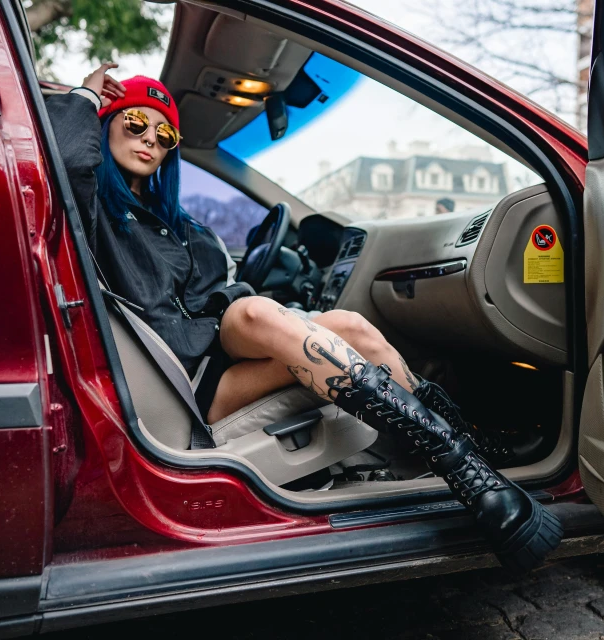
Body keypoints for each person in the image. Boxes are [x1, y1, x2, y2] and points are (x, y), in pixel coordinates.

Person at [46, 63, 561, 572]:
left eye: (164, 132)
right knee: (254, 310)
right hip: (183, 380)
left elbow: (219, 300)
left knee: (350, 325)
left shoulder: (185, 229)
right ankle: (461, 464)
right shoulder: (95, 213)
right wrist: (86, 96)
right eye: (134, 123)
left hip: (223, 347)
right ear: (106, 122)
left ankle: (467, 454)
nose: (150, 139)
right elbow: (67, 160)